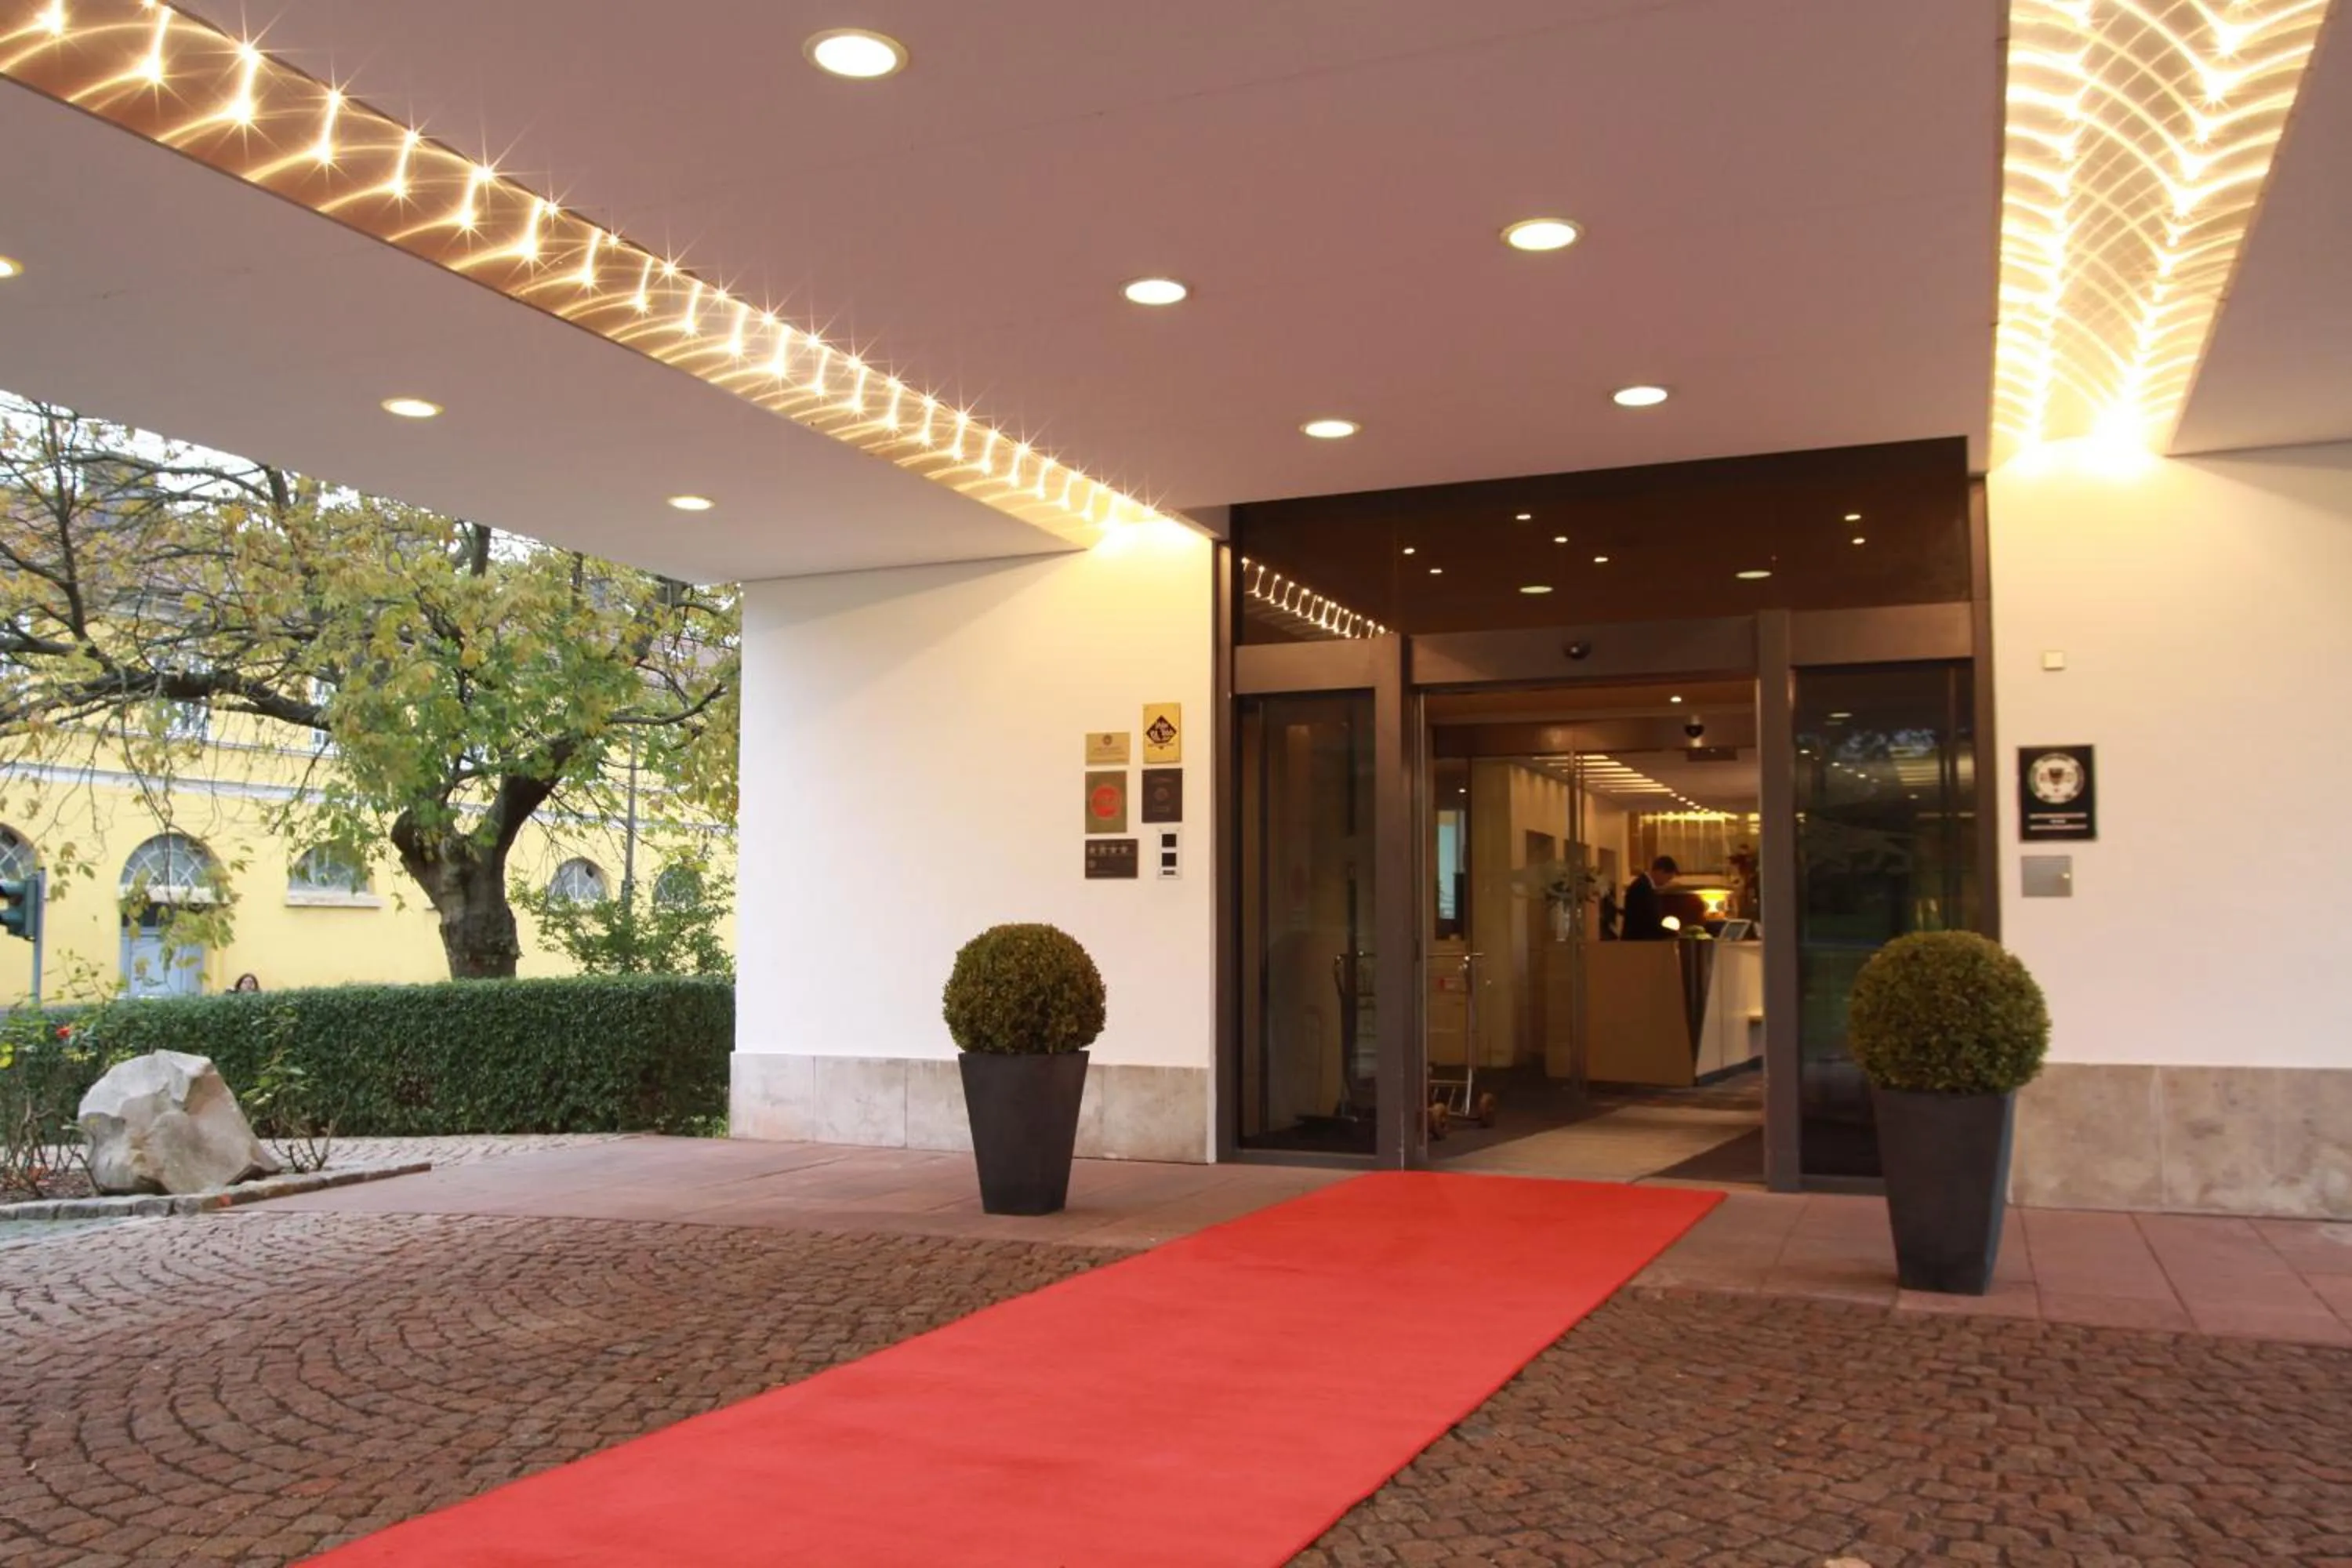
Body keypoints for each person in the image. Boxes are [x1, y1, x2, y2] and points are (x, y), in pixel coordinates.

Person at [1621, 856, 1679, 942]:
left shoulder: (1645, 885)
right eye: (1668, 878)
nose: (1667, 882)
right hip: (1638, 941)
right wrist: (1672, 933)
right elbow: (1647, 921)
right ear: (1660, 872)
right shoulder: (1642, 887)